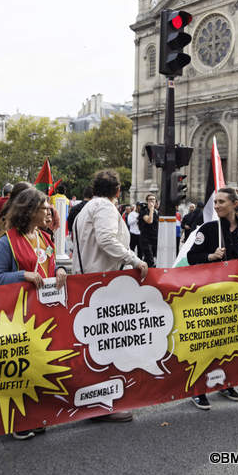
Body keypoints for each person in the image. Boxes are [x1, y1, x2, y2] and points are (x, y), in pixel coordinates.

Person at [0, 188, 67, 439]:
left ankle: (34, 414)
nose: (49, 211)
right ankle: (18, 421)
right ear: (30, 210)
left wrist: (61, 272)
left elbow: (51, 269)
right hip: (16, 315)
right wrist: (23, 275)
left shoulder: (45, 238)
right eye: (44, 207)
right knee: (19, 369)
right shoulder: (7, 240)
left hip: (42, 314)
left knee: (38, 365)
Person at [71, 169, 147, 424]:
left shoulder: (87, 208)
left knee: (96, 345)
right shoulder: (104, 207)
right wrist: (133, 259)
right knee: (105, 346)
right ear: (117, 191)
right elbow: (106, 239)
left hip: (90, 282)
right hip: (100, 284)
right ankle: (102, 404)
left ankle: (96, 400)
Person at [187, 187, 238, 409]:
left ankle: (225, 382)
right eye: (216, 202)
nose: (218, 205)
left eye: (222, 201)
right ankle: (198, 389)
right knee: (207, 344)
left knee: (230, 343)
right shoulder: (209, 229)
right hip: (211, 296)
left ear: (234, 204)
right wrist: (210, 256)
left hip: (237, 296)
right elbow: (192, 258)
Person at [138, 193, 159, 267]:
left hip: (155, 238)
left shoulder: (157, 212)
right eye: (150, 200)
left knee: (154, 260)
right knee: (150, 260)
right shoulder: (144, 211)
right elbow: (149, 221)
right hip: (146, 239)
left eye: (153, 199)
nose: (152, 201)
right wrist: (151, 210)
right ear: (147, 201)